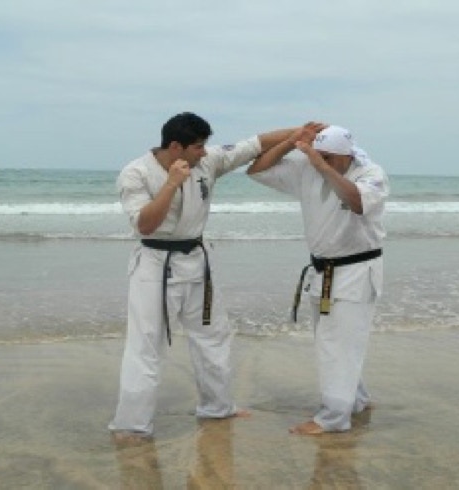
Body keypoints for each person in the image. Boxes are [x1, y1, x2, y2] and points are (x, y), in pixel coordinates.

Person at [109, 112, 314, 441]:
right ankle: (131, 426)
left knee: (214, 337)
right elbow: (144, 225)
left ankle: (217, 408)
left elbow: (255, 144)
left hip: (197, 261)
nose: (204, 152)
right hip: (155, 264)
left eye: (205, 146)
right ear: (176, 147)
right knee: (146, 347)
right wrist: (172, 184)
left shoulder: (207, 161)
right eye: (198, 147)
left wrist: (301, 132)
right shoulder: (135, 173)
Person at [247, 124, 389, 435]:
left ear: (345, 156)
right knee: (334, 341)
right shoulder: (307, 167)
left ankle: (333, 418)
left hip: (356, 271)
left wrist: (320, 162)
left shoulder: (370, 173)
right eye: (317, 153)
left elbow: (356, 202)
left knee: (338, 345)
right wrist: (290, 142)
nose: (317, 159)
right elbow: (256, 170)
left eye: (327, 156)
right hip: (321, 270)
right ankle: (357, 399)